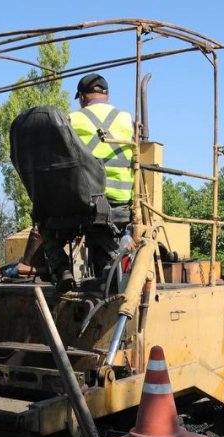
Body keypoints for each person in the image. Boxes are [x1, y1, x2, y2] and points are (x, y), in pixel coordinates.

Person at [43, 73, 135, 291]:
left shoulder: (73, 119)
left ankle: (62, 271)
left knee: (44, 222)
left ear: (82, 97)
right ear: (107, 95)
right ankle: (110, 274)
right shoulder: (126, 119)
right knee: (103, 237)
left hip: (88, 202)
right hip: (123, 200)